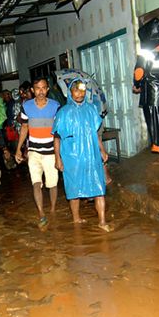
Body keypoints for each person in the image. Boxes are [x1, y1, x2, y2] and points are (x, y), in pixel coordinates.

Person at [53, 80, 111, 231]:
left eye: (83, 91)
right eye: (76, 90)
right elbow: (57, 137)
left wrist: (102, 150)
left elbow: (96, 134)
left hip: (91, 155)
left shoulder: (92, 109)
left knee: (99, 187)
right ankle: (76, 218)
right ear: (70, 92)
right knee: (74, 189)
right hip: (72, 157)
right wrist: (58, 158)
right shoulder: (63, 112)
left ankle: (102, 221)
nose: (80, 94)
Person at [15, 77, 59, 227]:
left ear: (47, 89)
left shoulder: (55, 106)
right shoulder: (26, 107)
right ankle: (41, 212)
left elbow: (58, 131)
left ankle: (52, 209)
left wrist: (60, 154)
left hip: (51, 152)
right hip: (33, 151)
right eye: (37, 88)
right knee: (36, 183)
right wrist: (18, 150)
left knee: (52, 184)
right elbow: (24, 128)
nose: (41, 91)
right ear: (32, 91)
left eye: (43, 88)